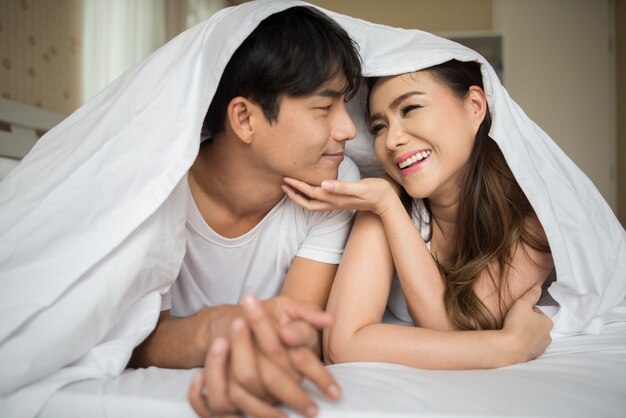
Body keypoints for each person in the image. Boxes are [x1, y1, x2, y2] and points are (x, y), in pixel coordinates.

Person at [128, 7, 362, 418]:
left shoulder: (336, 182)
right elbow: (134, 340)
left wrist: (268, 351)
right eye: (324, 109)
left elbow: (299, 330)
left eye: (344, 106)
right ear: (244, 118)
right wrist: (217, 328)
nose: (348, 130)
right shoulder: (159, 189)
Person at [282, 59, 555, 369]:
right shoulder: (383, 197)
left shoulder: (532, 217)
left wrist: (388, 207)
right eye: (378, 127)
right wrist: (511, 346)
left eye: (409, 109)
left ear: (475, 106)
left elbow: (458, 326)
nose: (392, 140)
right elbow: (341, 345)